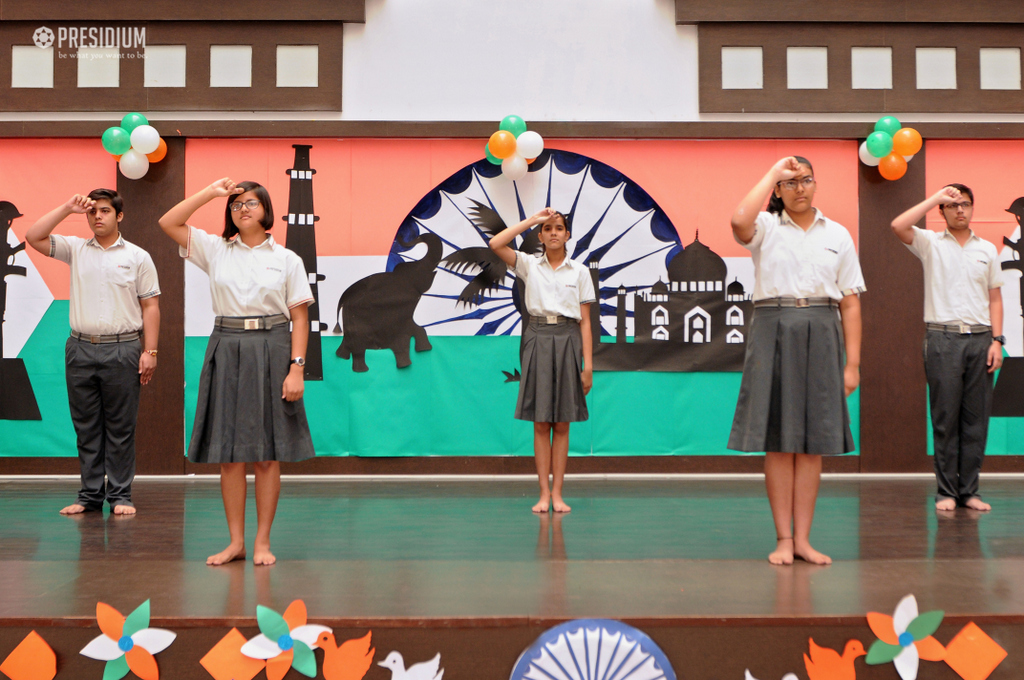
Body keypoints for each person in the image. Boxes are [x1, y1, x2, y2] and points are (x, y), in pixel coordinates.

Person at [158, 178, 315, 565]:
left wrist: (296, 369)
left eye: (251, 203)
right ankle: (235, 542)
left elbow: (300, 317)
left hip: (272, 348)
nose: (242, 209)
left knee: (266, 454)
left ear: (266, 210)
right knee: (229, 455)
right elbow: (168, 221)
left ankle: (261, 542)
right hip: (226, 346)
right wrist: (210, 192)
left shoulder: (287, 259)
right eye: (235, 205)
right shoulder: (214, 249)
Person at [728, 156, 865, 565]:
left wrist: (852, 363)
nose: (800, 188)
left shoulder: (838, 234)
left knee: (811, 444)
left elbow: (851, 302)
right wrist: (771, 171)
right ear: (779, 190)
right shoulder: (766, 228)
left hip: (823, 327)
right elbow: (738, 221)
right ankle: (783, 539)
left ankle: (804, 539)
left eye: (806, 180)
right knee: (778, 441)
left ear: (815, 184)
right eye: (790, 182)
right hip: (774, 324)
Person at [25, 190, 160, 516]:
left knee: (120, 428)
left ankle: (120, 496)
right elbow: (33, 236)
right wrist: (67, 207)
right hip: (80, 348)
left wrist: (150, 350)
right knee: (86, 427)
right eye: (92, 212)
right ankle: (88, 496)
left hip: (123, 348)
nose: (97, 217)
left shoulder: (138, 256)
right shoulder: (75, 249)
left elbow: (151, 305)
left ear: (119, 215)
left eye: (104, 211)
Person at [890, 184, 1004, 512]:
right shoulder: (929, 243)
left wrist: (997, 340)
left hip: (982, 340)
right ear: (942, 211)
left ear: (972, 208)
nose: (960, 211)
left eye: (965, 205)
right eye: (952, 206)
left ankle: (970, 491)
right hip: (942, 340)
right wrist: (935, 197)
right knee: (945, 418)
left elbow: (995, 298)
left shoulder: (987, 250)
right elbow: (898, 225)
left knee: (975, 420)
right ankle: (946, 492)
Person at [490, 208, 595, 513]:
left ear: (568, 234)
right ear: (539, 235)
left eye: (559, 228)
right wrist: (532, 220)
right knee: (540, 422)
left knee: (562, 422)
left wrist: (588, 365)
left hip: (568, 338)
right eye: (547, 228)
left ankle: (559, 494)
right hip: (536, 337)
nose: (553, 233)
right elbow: (496, 244)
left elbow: (586, 322)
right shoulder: (528, 266)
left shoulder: (580, 272)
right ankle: (543, 494)